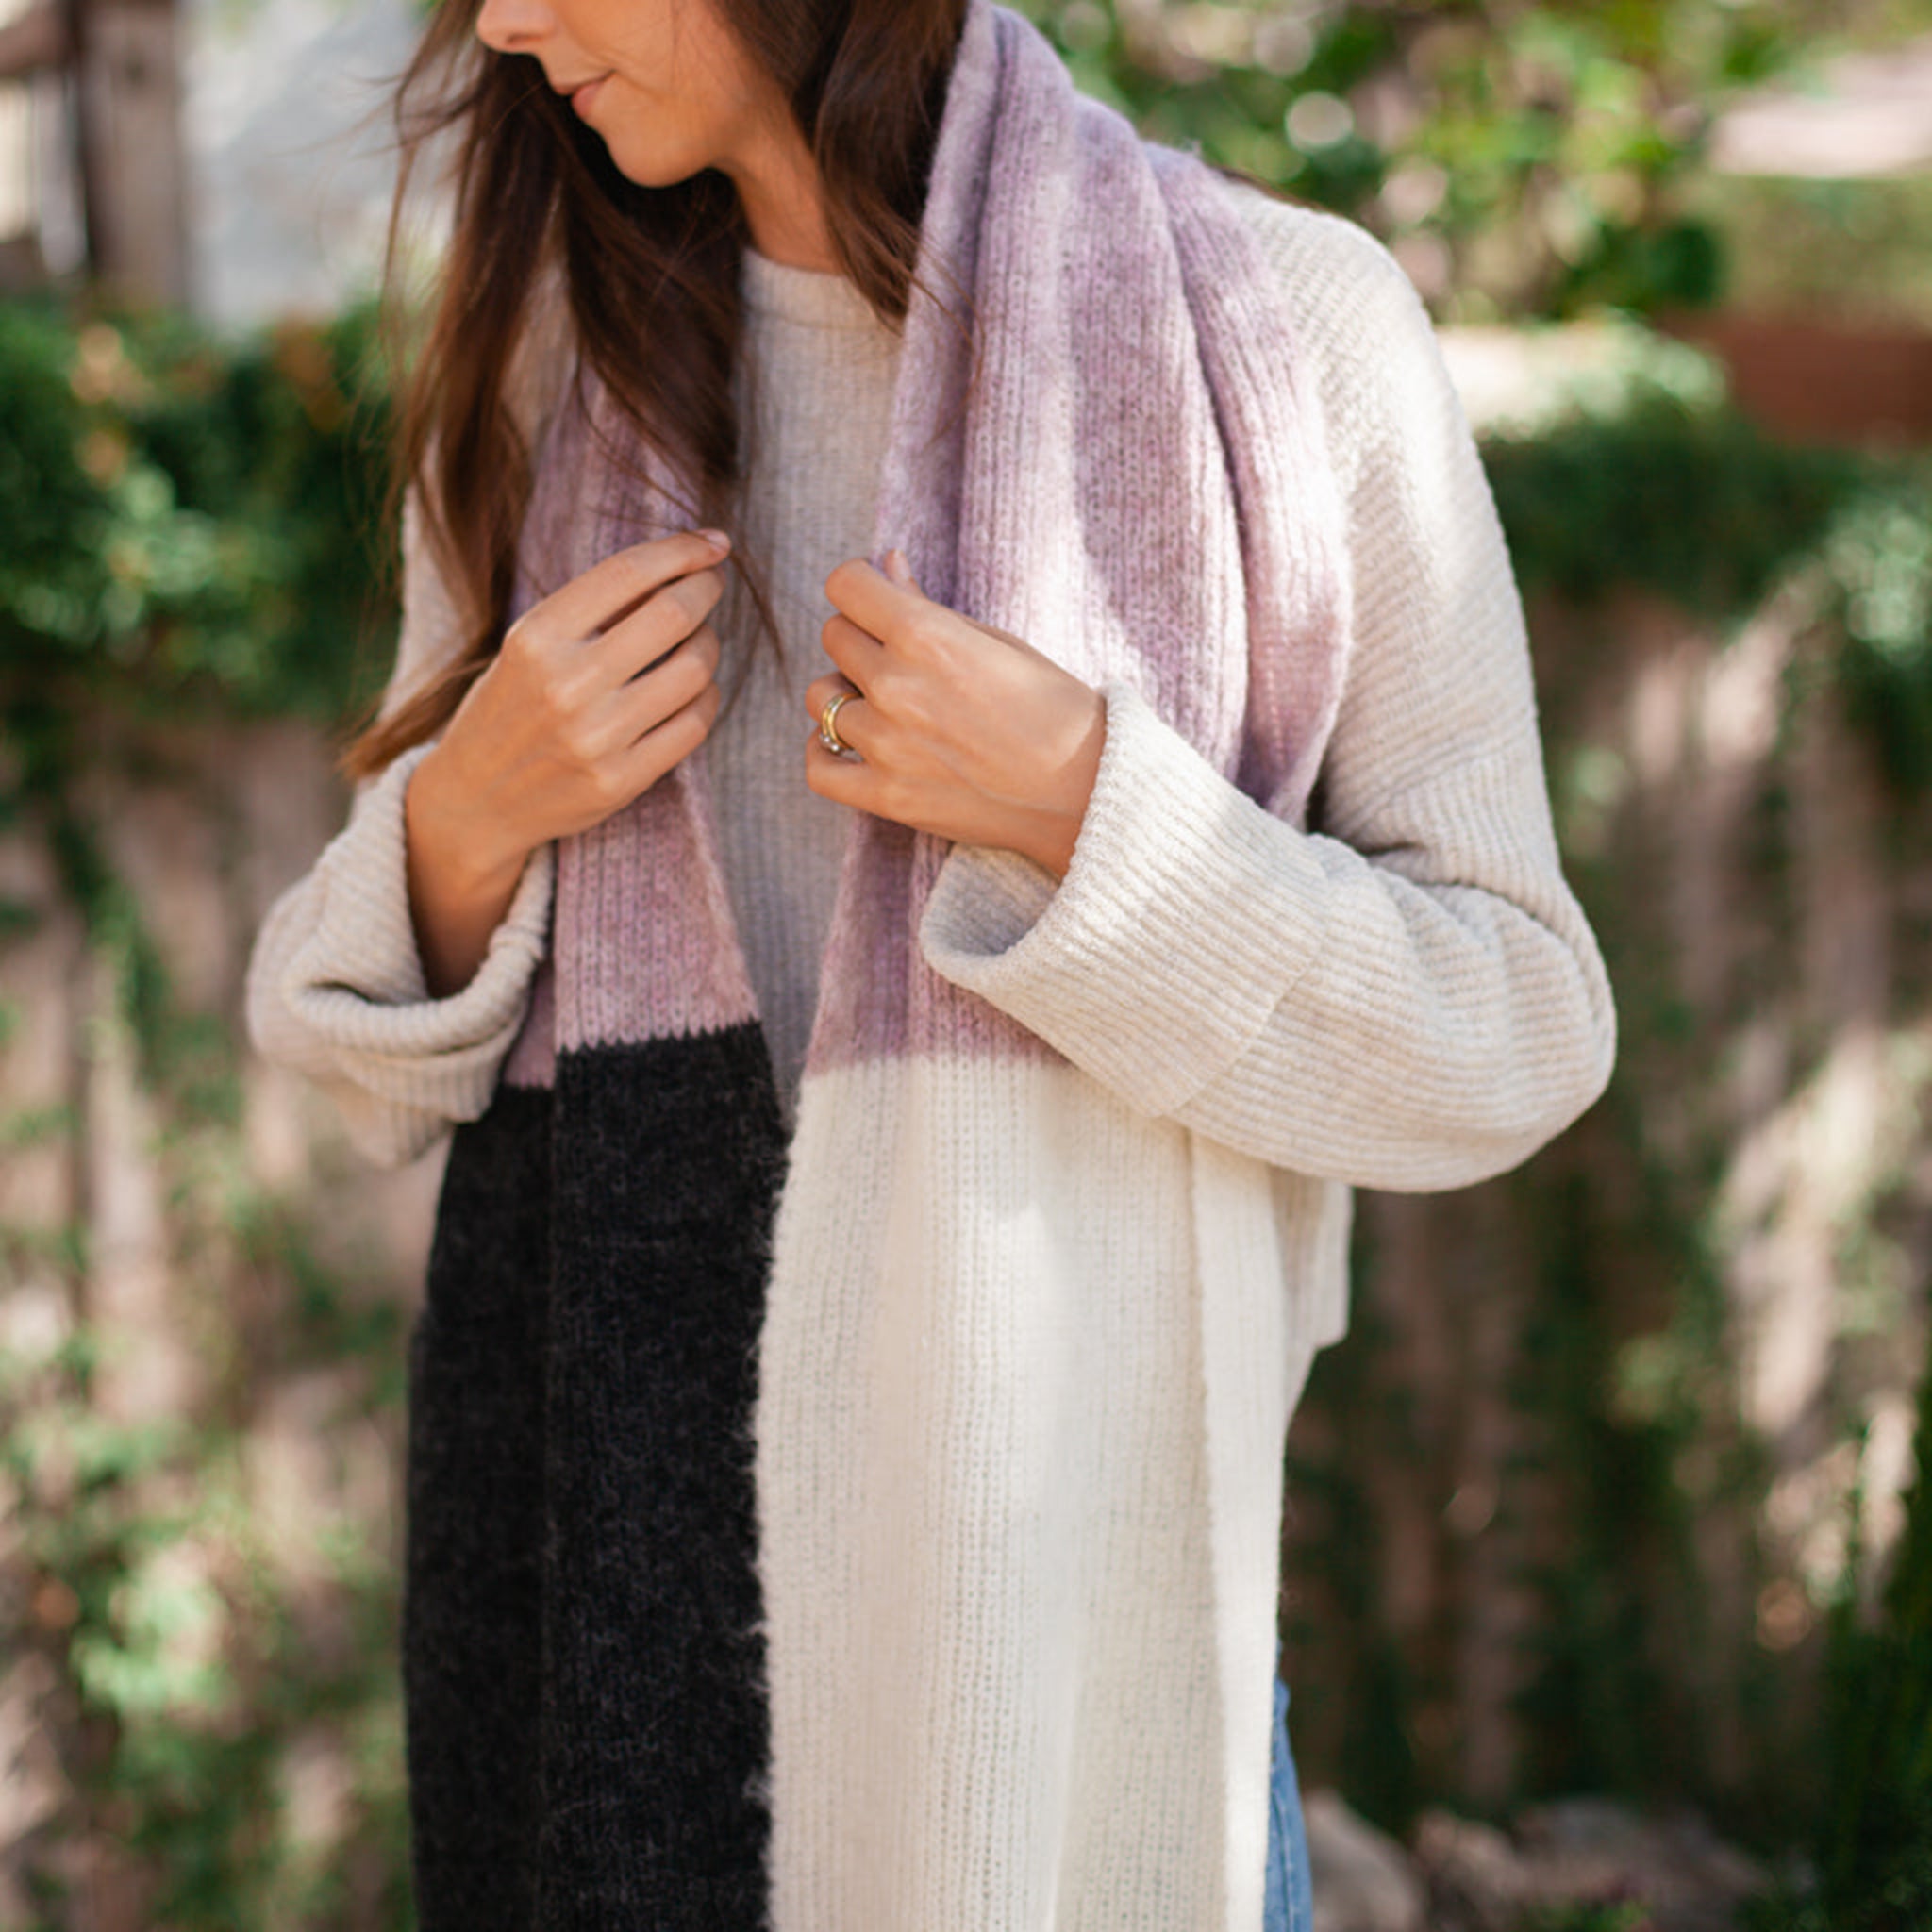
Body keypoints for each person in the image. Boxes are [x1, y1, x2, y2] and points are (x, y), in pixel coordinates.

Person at [246, 0, 1616, 1925]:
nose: (502, 20)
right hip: (611, 1644)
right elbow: (356, 1063)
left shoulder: (1289, 333)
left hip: (1078, 1681)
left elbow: (1515, 1021)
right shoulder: (554, 371)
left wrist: (1089, 816)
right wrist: (465, 817)